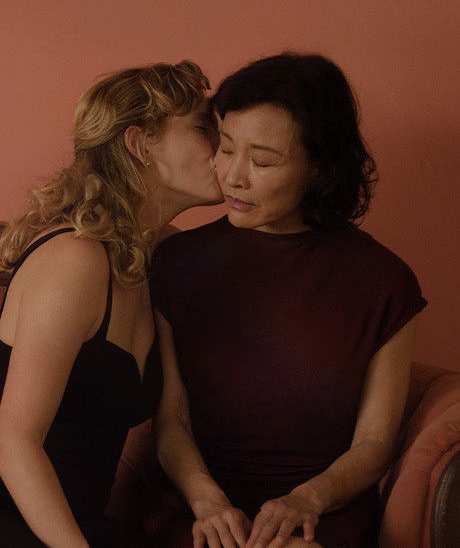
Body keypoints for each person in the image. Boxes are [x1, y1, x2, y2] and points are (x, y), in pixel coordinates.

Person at [0, 60, 222, 548]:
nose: (224, 146)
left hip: (68, 524)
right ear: (140, 144)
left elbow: (173, 421)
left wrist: (211, 503)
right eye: (204, 128)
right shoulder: (76, 259)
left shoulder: (161, 257)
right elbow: (14, 445)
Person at [151, 53, 427, 548]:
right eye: (225, 147)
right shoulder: (176, 262)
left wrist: (307, 499)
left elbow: (374, 442)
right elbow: (172, 420)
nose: (233, 176)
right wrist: (206, 501)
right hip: (198, 510)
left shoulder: (384, 282)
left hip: (320, 515)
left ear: (318, 167)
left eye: (261, 161)